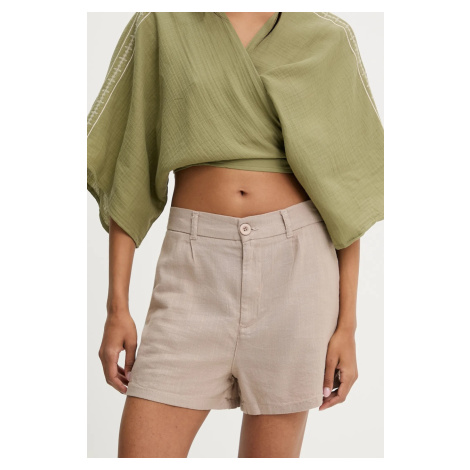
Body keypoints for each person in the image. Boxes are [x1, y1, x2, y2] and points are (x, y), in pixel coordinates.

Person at [88, 12, 384, 458]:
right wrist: (117, 308)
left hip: (297, 271)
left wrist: (348, 326)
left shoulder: (328, 36)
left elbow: (345, 195)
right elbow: (129, 166)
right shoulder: (161, 24)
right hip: (194, 269)